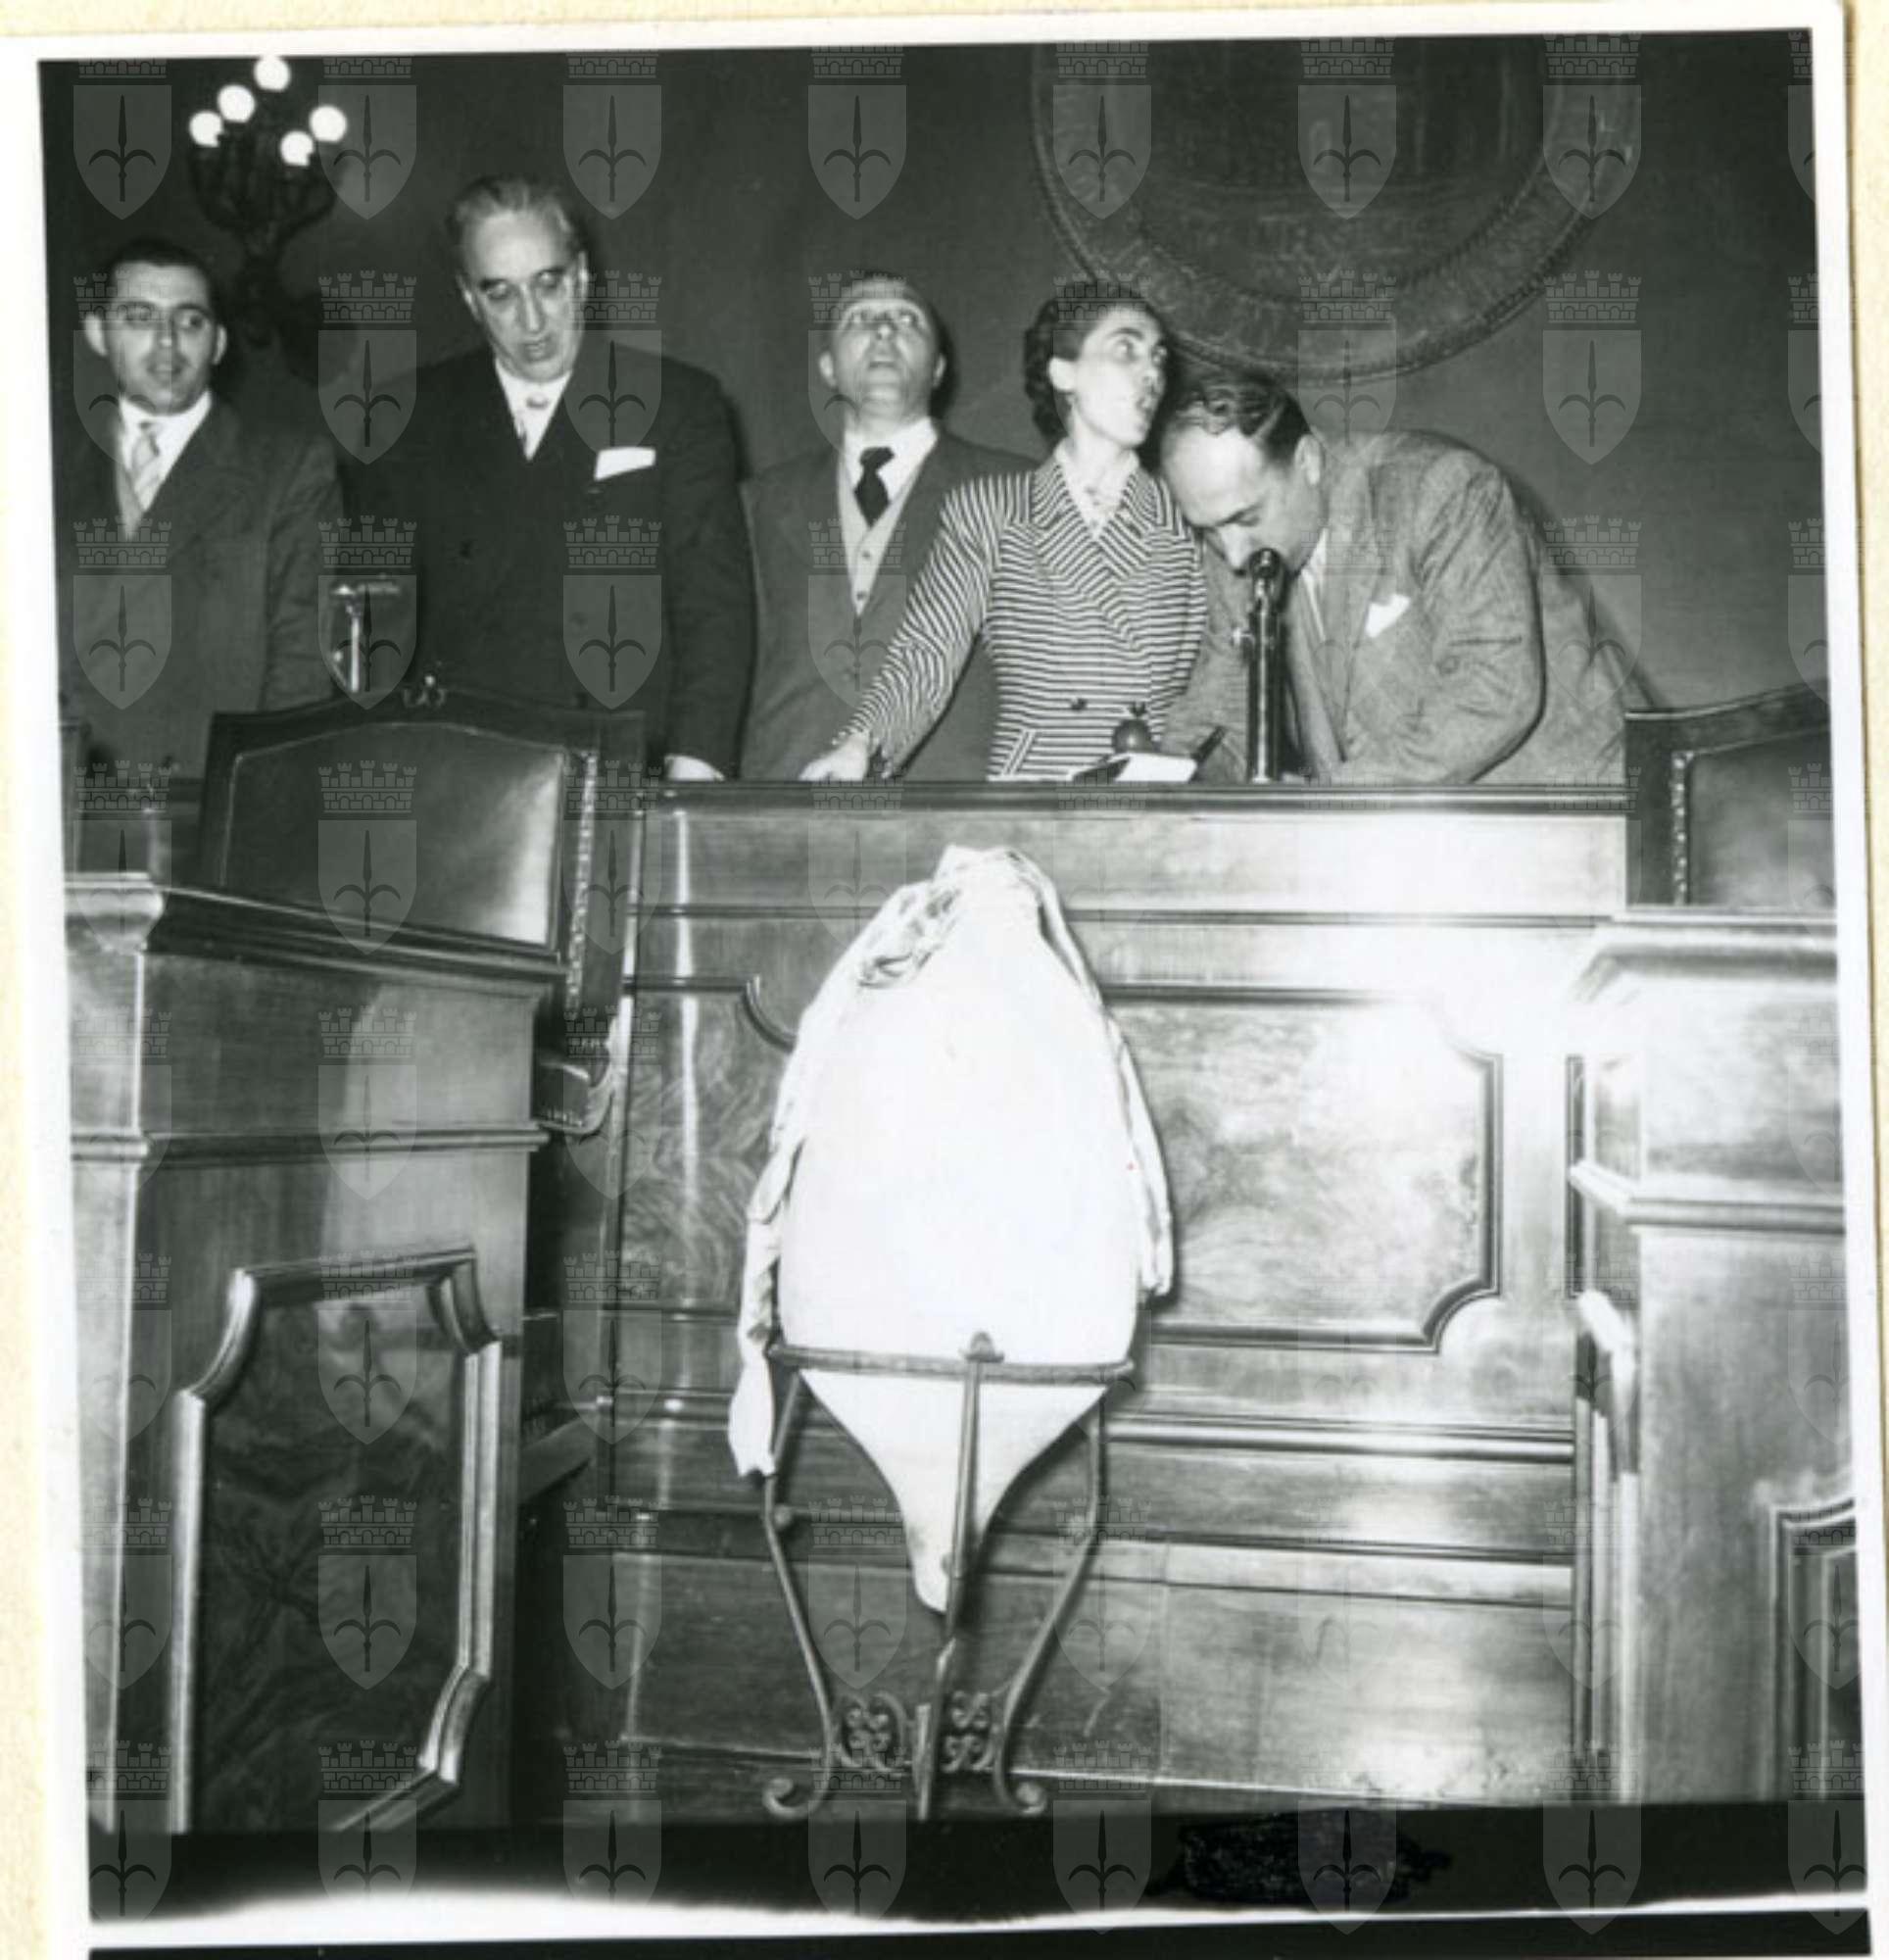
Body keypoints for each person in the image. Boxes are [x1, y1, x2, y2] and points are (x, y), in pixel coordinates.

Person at [355, 175, 752, 780]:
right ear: (468, 298)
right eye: (501, 294)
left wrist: (695, 765)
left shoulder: (678, 403)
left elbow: (714, 607)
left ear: (582, 276)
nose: (532, 320)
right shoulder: (405, 417)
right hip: (459, 764)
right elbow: (373, 620)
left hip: (622, 758)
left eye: (548, 283)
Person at [801, 284, 1203, 783]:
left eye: (1158, 357)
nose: (1152, 374)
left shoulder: (1188, 513)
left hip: (1156, 795)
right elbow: (928, 650)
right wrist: (861, 743)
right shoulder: (991, 509)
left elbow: (1220, 679)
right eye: (1126, 349)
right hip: (1033, 792)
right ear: (1063, 372)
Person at [1158, 368, 1632, 785]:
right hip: (1425, 831)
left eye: (1246, 518)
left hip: (1581, 810)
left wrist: (1327, 801)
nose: (1233, 556)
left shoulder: (1439, 488)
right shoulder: (1236, 548)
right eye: (1207, 531)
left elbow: (1494, 690)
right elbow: (1220, 710)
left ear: (1308, 461)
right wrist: (1163, 781)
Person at [58, 237, 340, 777]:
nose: (167, 343)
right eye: (140, 318)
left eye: (190, 322)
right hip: (67, 799)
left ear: (218, 343)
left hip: (207, 794)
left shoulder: (289, 470)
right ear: (97, 333)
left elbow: (301, 667)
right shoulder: (43, 465)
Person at [740, 272, 1028, 780]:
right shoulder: (756, 502)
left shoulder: (1018, 489)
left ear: (939, 369)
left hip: (954, 802)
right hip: (785, 796)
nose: (884, 331)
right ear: (828, 368)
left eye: (906, 319)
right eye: (860, 319)